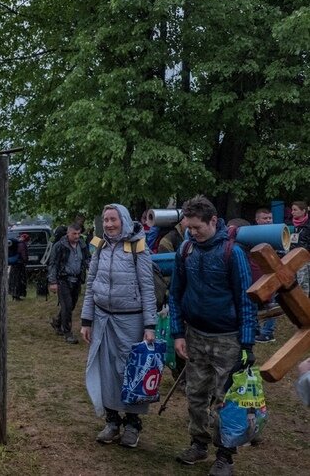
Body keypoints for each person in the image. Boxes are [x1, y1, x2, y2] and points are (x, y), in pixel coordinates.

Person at [168, 196, 256, 475]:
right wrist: (177, 333)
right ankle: (198, 442)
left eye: (197, 227)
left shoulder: (233, 253)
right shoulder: (185, 250)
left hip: (228, 338)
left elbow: (246, 300)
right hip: (195, 335)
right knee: (195, 394)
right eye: (188, 227)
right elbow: (175, 295)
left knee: (226, 399)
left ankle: (225, 455)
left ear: (213, 221)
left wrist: (247, 344)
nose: (191, 232)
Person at [80, 204, 156, 449]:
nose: (109, 224)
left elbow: (147, 288)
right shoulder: (99, 246)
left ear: (123, 220)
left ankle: (133, 424)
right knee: (104, 370)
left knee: (129, 372)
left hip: (130, 320)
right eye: (106, 220)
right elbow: (91, 284)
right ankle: (112, 422)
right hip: (103, 319)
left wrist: (149, 325)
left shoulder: (138, 247)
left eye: (113, 219)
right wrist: (86, 320)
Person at [48, 224, 90, 344]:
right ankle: (67, 332)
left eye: (78, 233)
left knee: (71, 306)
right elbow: (53, 264)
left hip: (77, 279)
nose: (77, 236)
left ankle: (57, 322)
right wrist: (53, 281)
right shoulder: (59, 246)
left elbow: (87, 259)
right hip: (63, 279)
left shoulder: (82, 245)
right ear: (68, 233)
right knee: (67, 306)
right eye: (74, 234)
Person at [252, 207, 279, 343]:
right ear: (257, 220)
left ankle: (268, 332)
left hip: (269, 274)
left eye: (270, 218)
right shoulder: (251, 235)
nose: (268, 221)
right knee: (253, 303)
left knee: (271, 304)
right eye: (265, 218)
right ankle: (255, 330)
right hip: (255, 275)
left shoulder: (274, 234)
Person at [290, 201, 310, 295]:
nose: (292, 212)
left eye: (295, 210)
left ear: (303, 211)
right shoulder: (292, 225)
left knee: (304, 285)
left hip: (305, 258)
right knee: (298, 284)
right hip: (295, 258)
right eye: (292, 210)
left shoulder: (308, 225)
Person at [8, 232, 29, 301]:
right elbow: (23, 255)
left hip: (14, 265)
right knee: (19, 280)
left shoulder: (16, 243)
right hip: (19, 265)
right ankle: (17, 296)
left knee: (13, 280)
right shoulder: (22, 245)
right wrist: (25, 261)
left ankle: (14, 295)